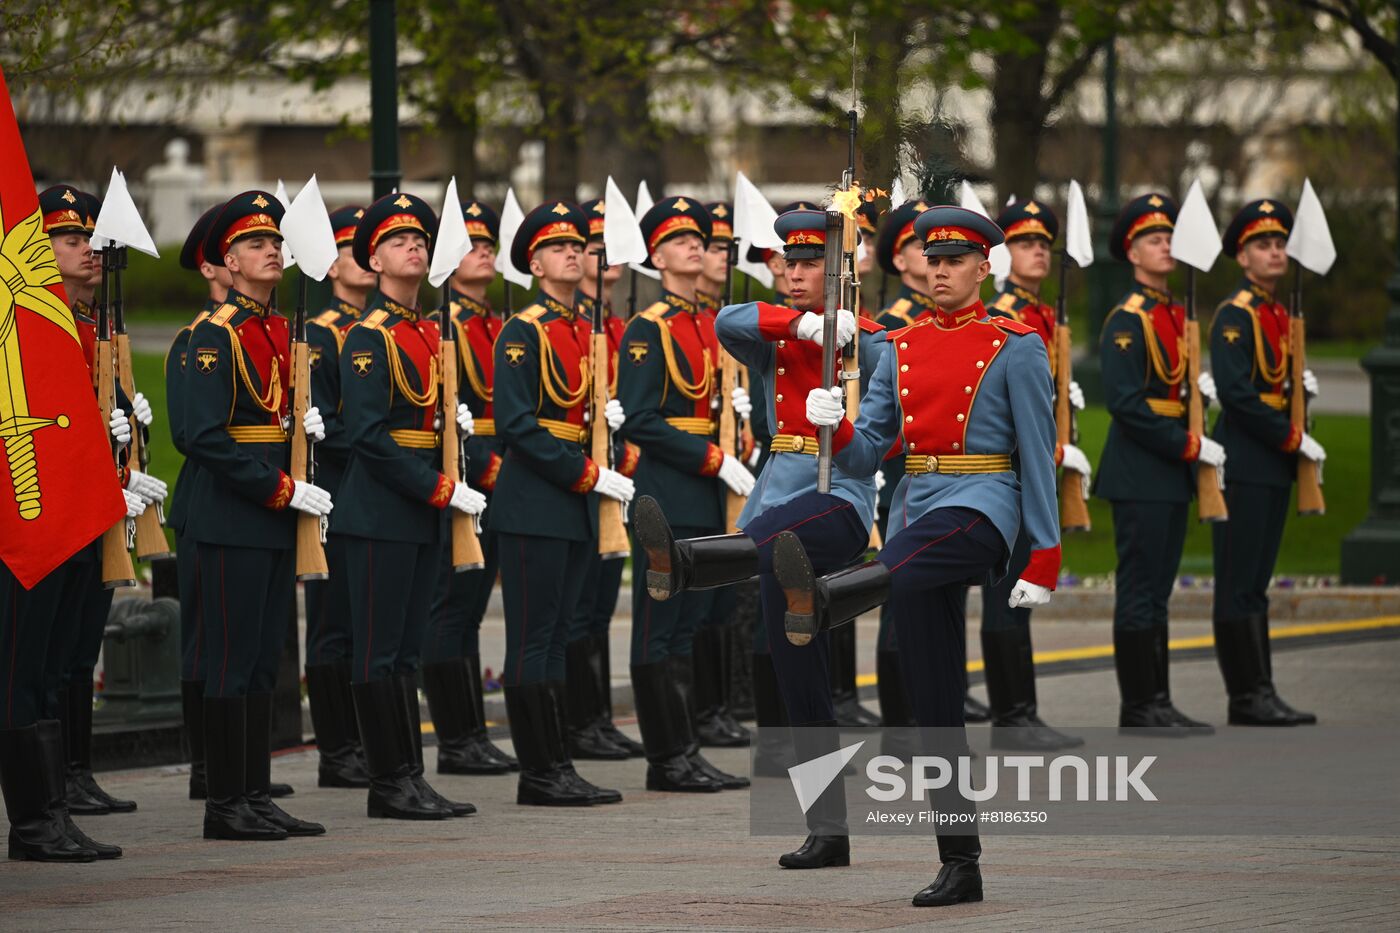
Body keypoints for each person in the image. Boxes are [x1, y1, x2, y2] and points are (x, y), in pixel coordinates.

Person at [780, 204, 1060, 907]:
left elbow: (1037, 452)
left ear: (983, 267)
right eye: (931, 260)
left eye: (955, 260)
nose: (939, 271)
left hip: (984, 504)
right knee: (936, 700)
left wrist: (1045, 552)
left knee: (902, 563)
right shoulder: (897, 346)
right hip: (917, 502)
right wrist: (833, 423)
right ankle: (961, 862)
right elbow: (871, 451)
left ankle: (825, 596)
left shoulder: (1015, 343)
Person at [633, 206, 887, 865]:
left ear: (840, 269)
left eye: (810, 264)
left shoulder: (879, 344)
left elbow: (878, 452)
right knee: (799, 675)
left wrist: (847, 416)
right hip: (778, 500)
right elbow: (728, 320)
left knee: (777, 540)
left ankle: (686, 563)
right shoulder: (776, 333)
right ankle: (829, 829)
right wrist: (807, 323)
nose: (796, 273)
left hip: (838, 500)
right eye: (787, 263)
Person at [0, 187, 148, 862]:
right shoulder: (25, 328)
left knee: (59, 666)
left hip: (85, 517)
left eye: (92, 237)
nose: (89, 249)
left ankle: (53, 805)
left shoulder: (90, 326)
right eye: (69, 239)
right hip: (36, 517)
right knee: (23, 671)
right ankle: (35, 820)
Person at [332, 192, 485, 821]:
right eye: (398, 241)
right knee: (378, 648)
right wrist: (437, 488)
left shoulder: (429, 330)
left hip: (421, 506)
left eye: (420, 239)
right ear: (373, 259)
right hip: (380, 511)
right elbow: (366, 435)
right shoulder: (369, 338)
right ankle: (387, 782)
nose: (414, 247)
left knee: (405, 648)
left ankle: (409, 777)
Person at [185, 190, 330, 839]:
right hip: (228, 516)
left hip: (271, 516)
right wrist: (280, 487)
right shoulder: (210, 336)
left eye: (275, 241)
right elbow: (202, 436)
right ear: (228, 261)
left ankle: (252, 791)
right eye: (253, 244)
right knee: (228, 659)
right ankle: (225, 803)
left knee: (260, 662)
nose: (271, 251)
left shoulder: (277, 330)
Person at [491, 200, 633, 806]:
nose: (573, 254)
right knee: (532, 637)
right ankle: (539, 771)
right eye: (557, 248)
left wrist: (611, 449)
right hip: (536, 500)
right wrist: (585, 473)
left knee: (558, 636)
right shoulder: (524, 331)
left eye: (577, 245)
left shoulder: (584, 328)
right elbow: (518, 425)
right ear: (535, 264)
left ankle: (557, 762)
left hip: (575, 500)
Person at [616, 196, 753, 793]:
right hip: (669, 491)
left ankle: (687, 750)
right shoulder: (648, 329)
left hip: (708, 494)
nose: (695, 245)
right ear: (656, 257)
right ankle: (665, 759)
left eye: (700, 237)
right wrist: (713, 458)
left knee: (693, 623)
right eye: (679, 239)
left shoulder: (712, 322)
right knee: (661, 623)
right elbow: (641, 419)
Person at [1095, 193, 1219, 736]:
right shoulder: (1128, 320)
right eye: (1153, 239)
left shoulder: (1175, 314)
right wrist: (1189, 445)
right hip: (1142, 469)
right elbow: (1126, 403)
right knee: (1140, 590)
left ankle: (1160, 700)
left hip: (1167, 472)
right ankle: (1138, 706)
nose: (1165, 246)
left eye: (1169, 238)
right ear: (1132, 252)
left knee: (1159, 593)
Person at [1207, 199, 1322, 725]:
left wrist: (1302, 402)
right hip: (1248, 460)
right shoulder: (1237, 314)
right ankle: (1245, 696)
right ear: (1243, 257)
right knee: (1239, 580)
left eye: (1279, 244)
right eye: (1262, 245)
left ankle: (1262, 688)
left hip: (1272, 462)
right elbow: (1237, 395)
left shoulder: (1279, 313)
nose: (1274, 252)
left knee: (1256, 581)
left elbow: (1278, 389)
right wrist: (1292, 437)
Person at [979, 198, 1087, 751]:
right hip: (1010, 472)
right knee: (1008, 593)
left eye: (1044, 243)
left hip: (1037, 466)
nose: (1038, 251)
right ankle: (1010, 715)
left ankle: (1023, 712)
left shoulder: (1041, 316)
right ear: (1003, 256)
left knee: (1023, 593)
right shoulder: (1005, 319)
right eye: (1025, 243)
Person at [421, 197, 520, 775]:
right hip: (465, 473)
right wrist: (488, 468)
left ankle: (474, 734)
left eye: (487, 245)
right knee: (450, 611)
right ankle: (455, 738)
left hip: (497, 473)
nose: (482, 252)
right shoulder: (445, 323)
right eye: (469, 246)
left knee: (472, 611)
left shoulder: (495, 323)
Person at [561, 197, 644, 761]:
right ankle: (574, 721)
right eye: (595, 247)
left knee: (598, 606)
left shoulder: (617, 326)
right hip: (579, 478)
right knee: (573, 608)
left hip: (619, 476)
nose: (606, 256)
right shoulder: (573, 326)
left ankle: (595, 718)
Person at [301, 204, 374, 789]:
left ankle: (363, 739)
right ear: (330, 265)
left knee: (366, 621)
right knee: (333, 624)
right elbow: (332, 424)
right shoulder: (323, 334)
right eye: (352, 250)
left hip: (371, 488)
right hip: (336, 487)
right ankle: (337, 749)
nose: (363, 260)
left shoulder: (376, 329)